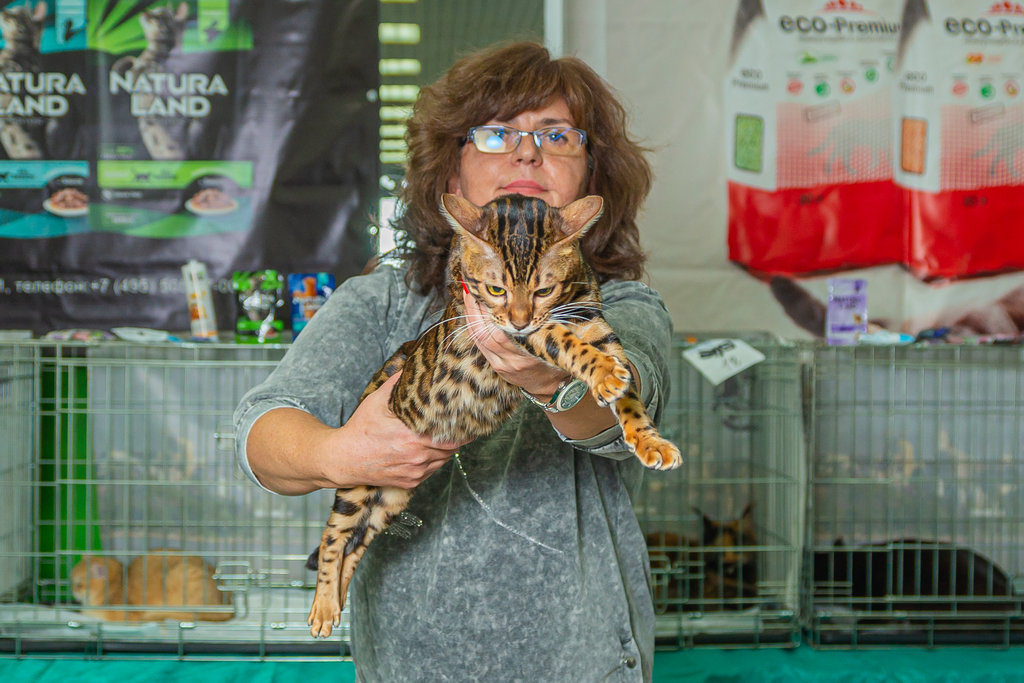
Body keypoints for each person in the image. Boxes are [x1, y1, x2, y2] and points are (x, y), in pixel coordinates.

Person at [234, 41, 673, 682]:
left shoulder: (623, 304)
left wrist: (553, 379)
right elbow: (261, 433)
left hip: (584, 664)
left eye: (557, 135)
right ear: (450, 175)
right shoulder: (385, 301)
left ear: (591, 181)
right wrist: (340, 455)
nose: (528, 153)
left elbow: (628, 406)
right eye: (496, 134)